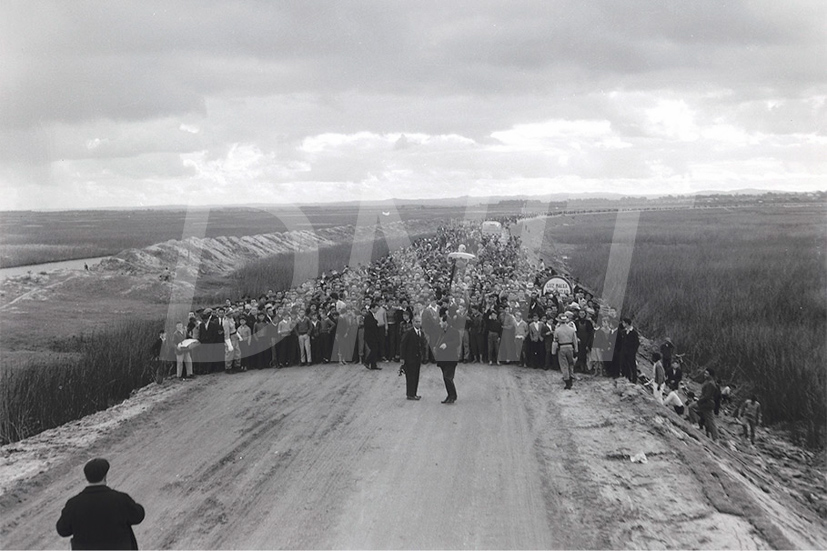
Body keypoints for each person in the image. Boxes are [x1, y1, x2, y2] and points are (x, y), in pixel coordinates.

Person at [56, 458, 145, 550]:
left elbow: (62, 530)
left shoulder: (73, 504)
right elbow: (138, 516)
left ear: (87, 477)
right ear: (105, 476)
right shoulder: (120, 499)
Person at [434, 313, 461, 403]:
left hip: (451, 359)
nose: (440, 323)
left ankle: (453, 396)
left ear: (446, 322)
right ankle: (450, 395)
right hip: (442, 359)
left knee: (448, 377)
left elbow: (457, 342)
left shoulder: (454, 331)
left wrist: (447, 345)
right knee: (446, 378)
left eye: (441, 321)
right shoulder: (442, 331)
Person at [399, 314, 427, 400]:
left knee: (416, 376)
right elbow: (403, 345)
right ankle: (410, 394)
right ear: (413, 322)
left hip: (417, 358)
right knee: (410, 376)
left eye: (419, 322)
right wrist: (402, 358)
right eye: (416, 322)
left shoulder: (421, 333)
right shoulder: (409, 332)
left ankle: (414, 393)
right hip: (409, 358)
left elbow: (423, 345)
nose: (418, 323)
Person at [553, 311, 578, 389]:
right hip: (570, 347)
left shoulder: (557, 330)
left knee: (564, 365)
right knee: (571, 363)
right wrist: (576, 350)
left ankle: (567, 381)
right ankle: (570, 378)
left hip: (562, 347)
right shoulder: (571, 329)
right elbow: (575, 340)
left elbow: (555, 341)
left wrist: (553, 351)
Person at [697, 368, 721, 441]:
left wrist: (699, 400)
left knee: (710, 421)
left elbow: (707, 396)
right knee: (705, 418)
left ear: (710, 375)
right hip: (705, 402)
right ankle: (703, 430)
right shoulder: (707, 381)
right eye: (705, 373)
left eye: (706, 374)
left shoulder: (711, 383)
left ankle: (716, 438)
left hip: (707, 403)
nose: (705, 375)